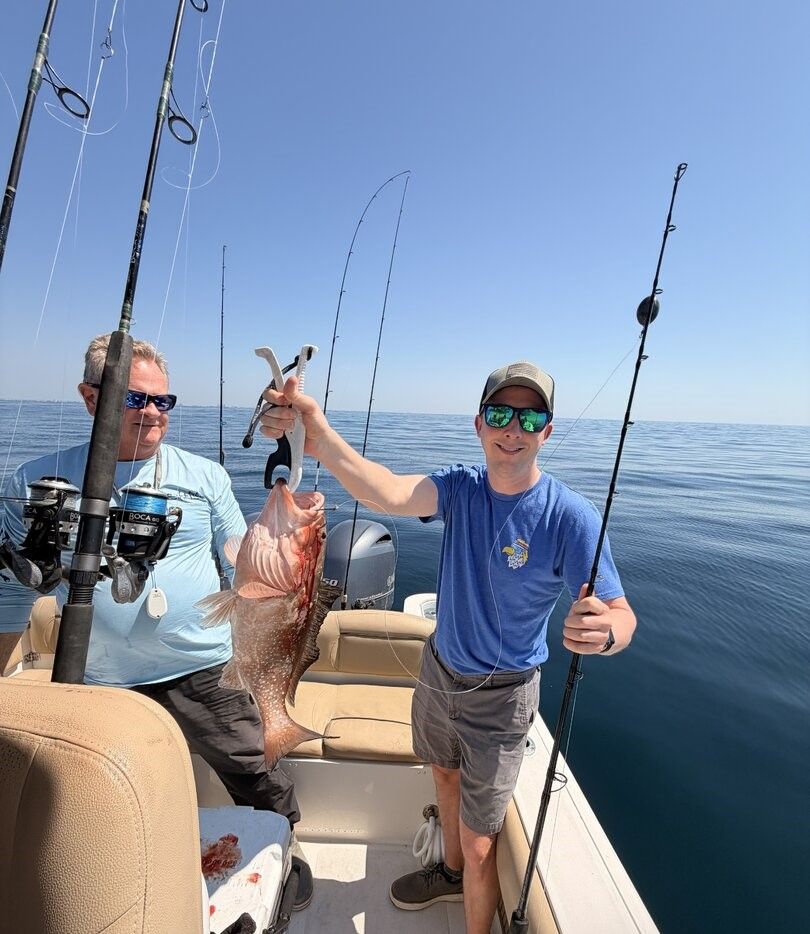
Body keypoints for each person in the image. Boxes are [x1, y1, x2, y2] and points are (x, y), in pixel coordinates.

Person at [259, 359, 637, 934]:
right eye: (501, 413)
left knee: (483, 843)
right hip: (437, 674)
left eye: (530, 416)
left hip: (503, 699)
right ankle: (449, 875)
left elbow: (621, 613)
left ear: (547, 431)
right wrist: (317, 429)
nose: (514, 428)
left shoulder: (571, 517)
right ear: (480, 424)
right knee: (442, 780)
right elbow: (382, 490)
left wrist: (604, 633)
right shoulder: (461, 488)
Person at [0, 333, 313, 910]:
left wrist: (291, 449)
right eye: (134, 398)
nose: (151, 413)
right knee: (92, 797)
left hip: (204, 668)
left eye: (162, 402)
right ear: (90, 398)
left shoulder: (205, 476)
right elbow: (11, 591)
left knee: (258, 771)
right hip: (97, 681)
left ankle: (288, 851)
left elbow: (245, 558)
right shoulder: (36, 482)